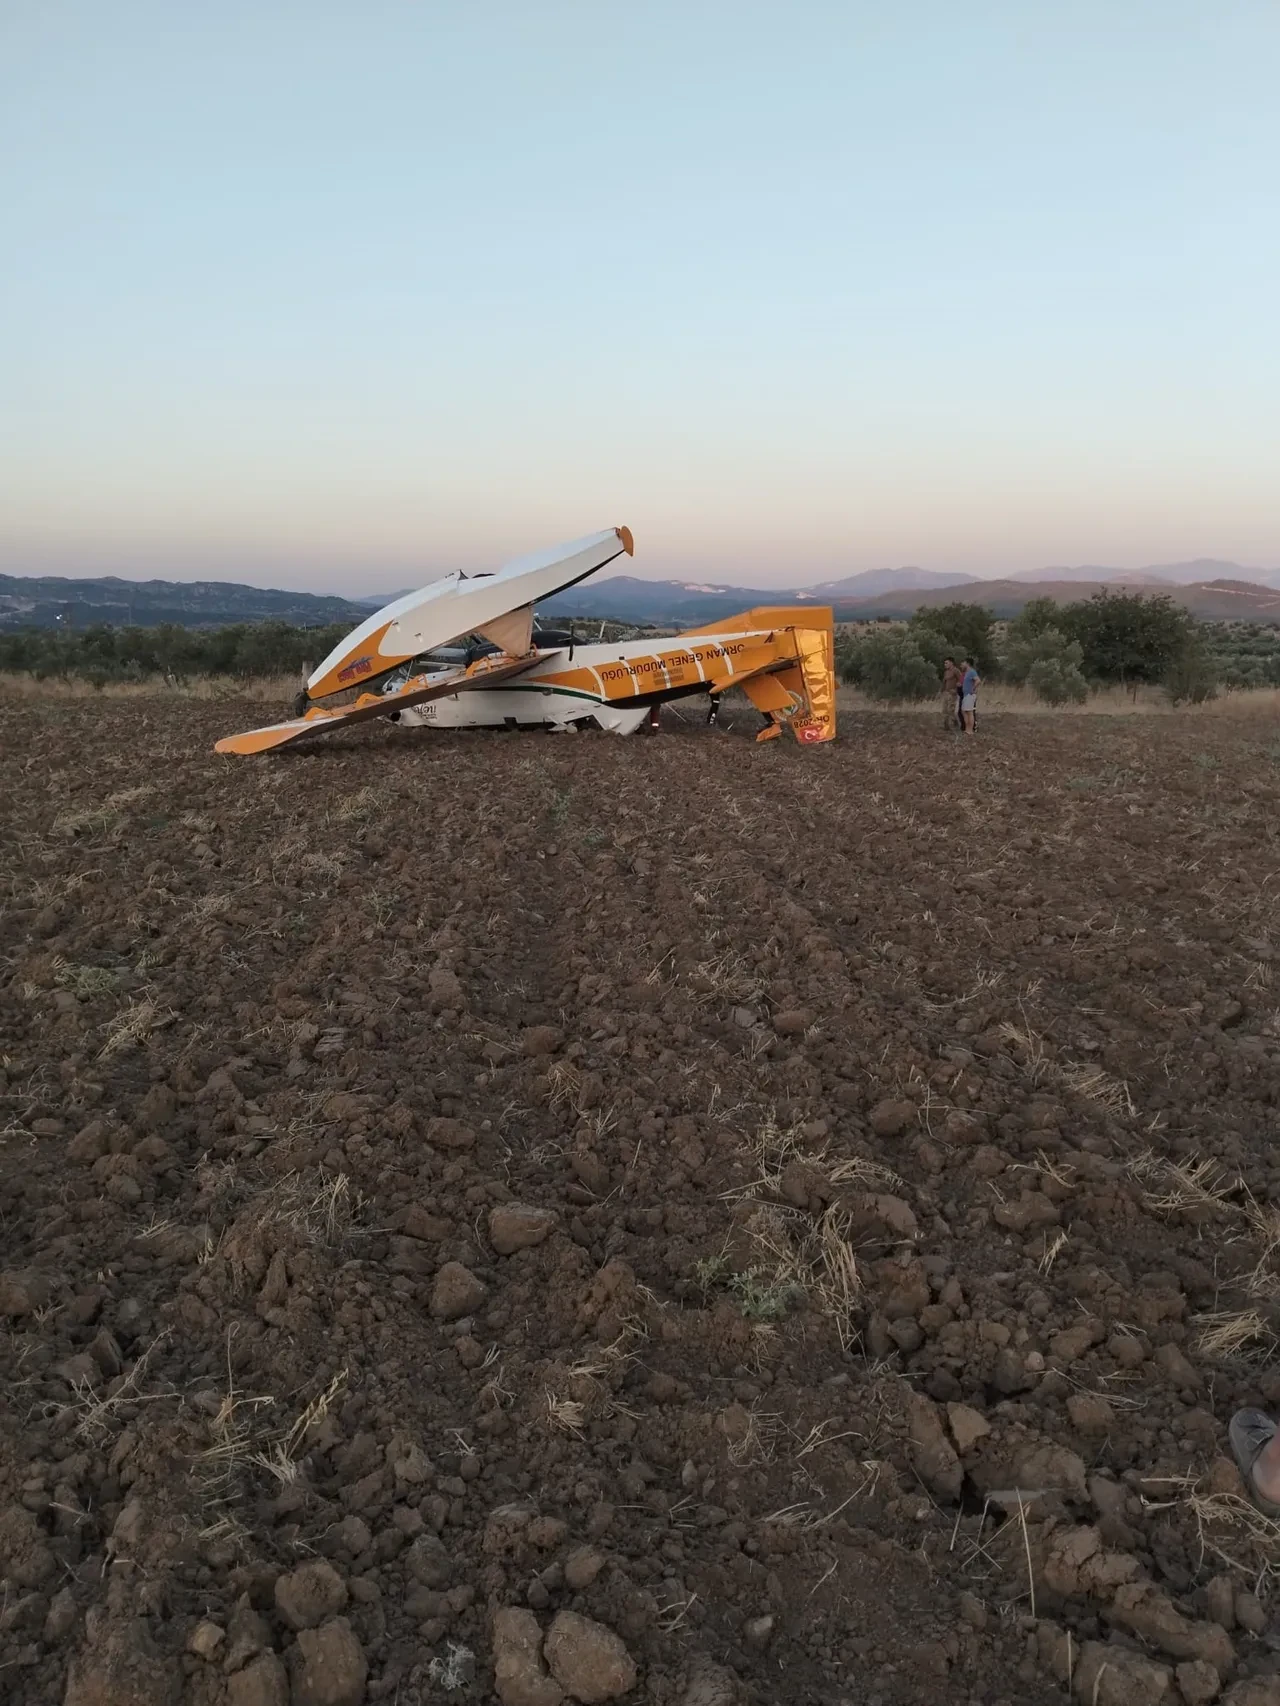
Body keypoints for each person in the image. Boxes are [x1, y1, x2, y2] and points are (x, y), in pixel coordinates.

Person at [941, 657, 964, 732]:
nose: (945, 664)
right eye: (945, 663)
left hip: (952, 693)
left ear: (951, 663)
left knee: (950, 710)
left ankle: (956, 724)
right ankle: (946, 726)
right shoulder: (946, 672)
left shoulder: (956, 670)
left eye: (946, 663)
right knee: (944, 710)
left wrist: (957, 689)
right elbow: (944, 682)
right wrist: (942, 691)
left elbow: (962, 679)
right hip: (946, 693)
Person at [960, 657, 981, 737]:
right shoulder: (967, 673)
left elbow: (978, 680)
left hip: (969, 695)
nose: (962, 664)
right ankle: (967, 729)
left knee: (969, 712)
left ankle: (970, 730)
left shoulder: (972, 672)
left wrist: (973, 689)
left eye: (963, 663)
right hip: (966, 695)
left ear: (967, 663)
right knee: (964, 711)